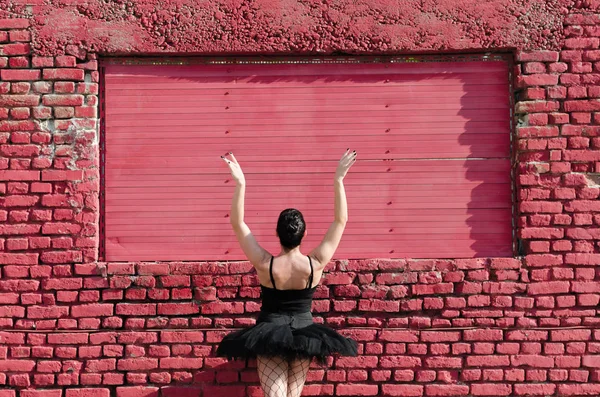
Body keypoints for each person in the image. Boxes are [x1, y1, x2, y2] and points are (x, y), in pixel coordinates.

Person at [216, 150, 359, 397]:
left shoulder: (265, 264)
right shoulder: (315, 263)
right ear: (303, 234)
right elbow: (340, 221)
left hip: (269, 331)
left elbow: (238, 224)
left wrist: (241, 184)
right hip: (305, 332)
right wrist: (338, 180)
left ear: (277, 233)